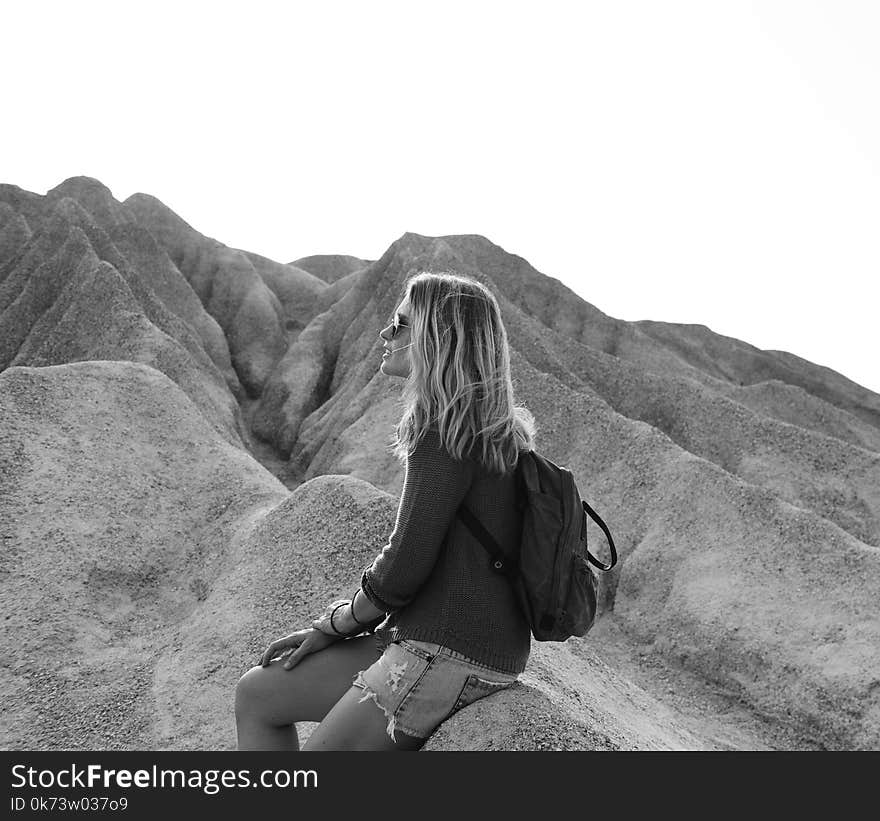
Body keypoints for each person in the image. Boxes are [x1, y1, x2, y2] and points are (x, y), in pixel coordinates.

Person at [234, 271, 537, 751]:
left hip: (445, 653)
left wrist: (332, 626)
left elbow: (405, 564)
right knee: (257, 694)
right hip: (440, 640)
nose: (385, 334)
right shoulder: (496, 432)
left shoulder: (443, 431)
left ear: (438, 339)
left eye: (400, 325)